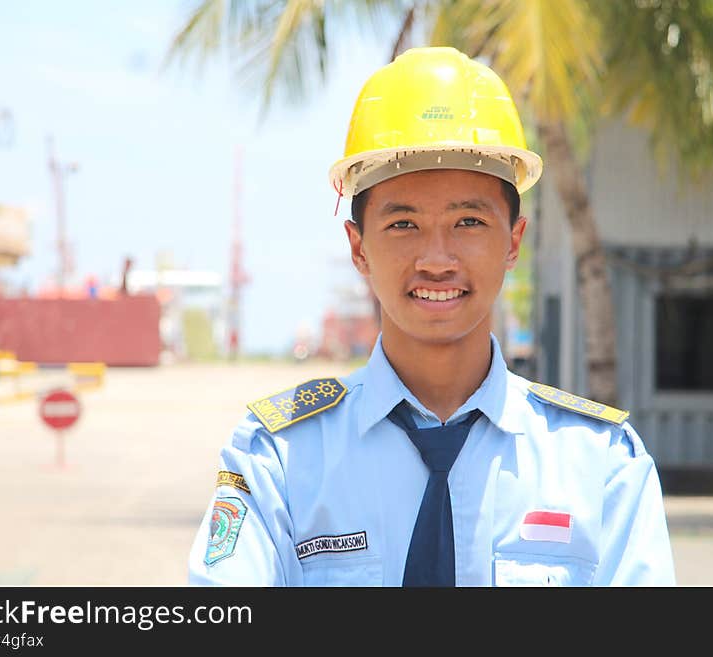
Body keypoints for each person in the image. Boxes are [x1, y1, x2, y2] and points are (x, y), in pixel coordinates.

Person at [188, 46, 675, 586]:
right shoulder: (278, 459)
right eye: (403, 225)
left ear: (514, 241)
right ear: (358, 247)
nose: (437, 261)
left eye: (468, 221)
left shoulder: (600, 464)